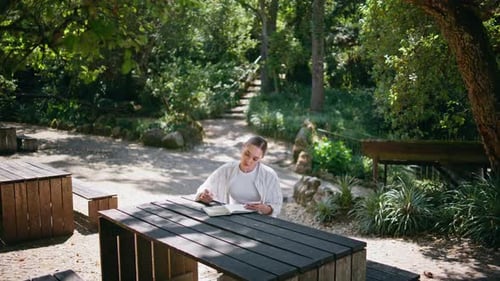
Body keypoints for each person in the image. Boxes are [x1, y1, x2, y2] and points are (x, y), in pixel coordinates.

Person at [195, 135, 283, 217]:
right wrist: (204, 196)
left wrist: (266, 209)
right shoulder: (227, 169)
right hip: (231, 217)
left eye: (255, 159)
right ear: (243, 148)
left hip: (258, 219)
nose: (248, 161)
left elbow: (277, 206)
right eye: (247, 154)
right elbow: (204, 188)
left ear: (261, 158)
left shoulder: (269, 175)